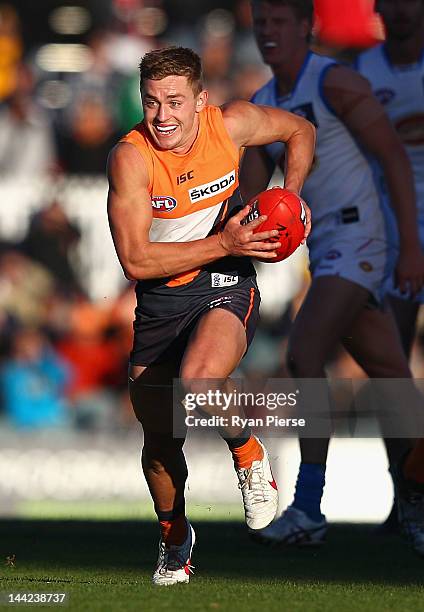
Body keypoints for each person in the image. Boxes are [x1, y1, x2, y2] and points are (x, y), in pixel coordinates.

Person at [107, 46, 315, 585]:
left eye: (175, 102)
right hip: (160, 300)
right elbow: (134, 259)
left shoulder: (232, 124)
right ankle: (176, 538)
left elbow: (299, 131)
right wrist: (225, 240)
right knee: (159, 446)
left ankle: (249, 455)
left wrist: (289, 198)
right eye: (151, 103)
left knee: (199, 383)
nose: (163, 117)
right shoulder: (131, 156)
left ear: (201, 101)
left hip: (226, 285)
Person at [240, 0, 424, 550]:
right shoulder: (264, 104)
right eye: (261, 23)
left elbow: (392, 156)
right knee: (392, 377)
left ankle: (308, 504)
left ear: (305, 27)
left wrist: (409, 245)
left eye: (280, 21)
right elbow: (247, 196)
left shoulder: (336, 81)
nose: (269, 32)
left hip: (366, 239)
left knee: (304, 351)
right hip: (327, 248)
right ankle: (414, 503)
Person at [355, 0, 424, 544]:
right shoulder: (361, 72)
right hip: (392, 242)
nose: (401, 10)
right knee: (390, 373)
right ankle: (405, 497)